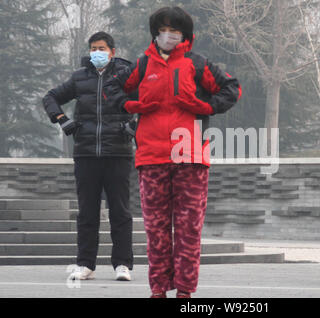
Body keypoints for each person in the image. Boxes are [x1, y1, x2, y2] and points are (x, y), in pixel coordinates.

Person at [109, 6, 241, 298]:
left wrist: (206, 107)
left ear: (185, 34)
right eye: (163, 29)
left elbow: (231, 88)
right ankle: (157, 290)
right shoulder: (143, 65)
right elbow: (111, 87)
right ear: (155, 32)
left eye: (175, 30)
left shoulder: (197, 63)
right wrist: (131, 106)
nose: (168, 35)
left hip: (191, 158)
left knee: (188, 232)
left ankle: (184, 292)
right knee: (156, 231)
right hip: (151, 158)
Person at [42, 32, 136, 281]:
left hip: (118, 151)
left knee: (120, 211)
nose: (97, 52)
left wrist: (134, 127)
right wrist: (62, 120)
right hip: (85, 153)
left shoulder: (127, 76)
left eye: (102, 48)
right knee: (87, 212)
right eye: (94, 48)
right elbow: (50, 97)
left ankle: (122, 265)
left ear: (112, 51)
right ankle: (85, 264)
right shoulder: (79, 77)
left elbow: (147, 102)